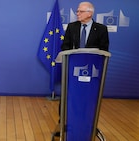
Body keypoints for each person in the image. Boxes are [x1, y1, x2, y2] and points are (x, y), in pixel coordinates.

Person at [54, 1, 109, 137]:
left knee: (88, 98)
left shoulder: (101, 29)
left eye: (80, 11)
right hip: (72, 71)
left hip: (92, 72)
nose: (77, 13)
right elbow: (64, 47)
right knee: (68, 96)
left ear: (90, 13)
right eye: (77, 11)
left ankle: (87, 124)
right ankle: (64, 123)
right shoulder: (72, 27)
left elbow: (104, 50)